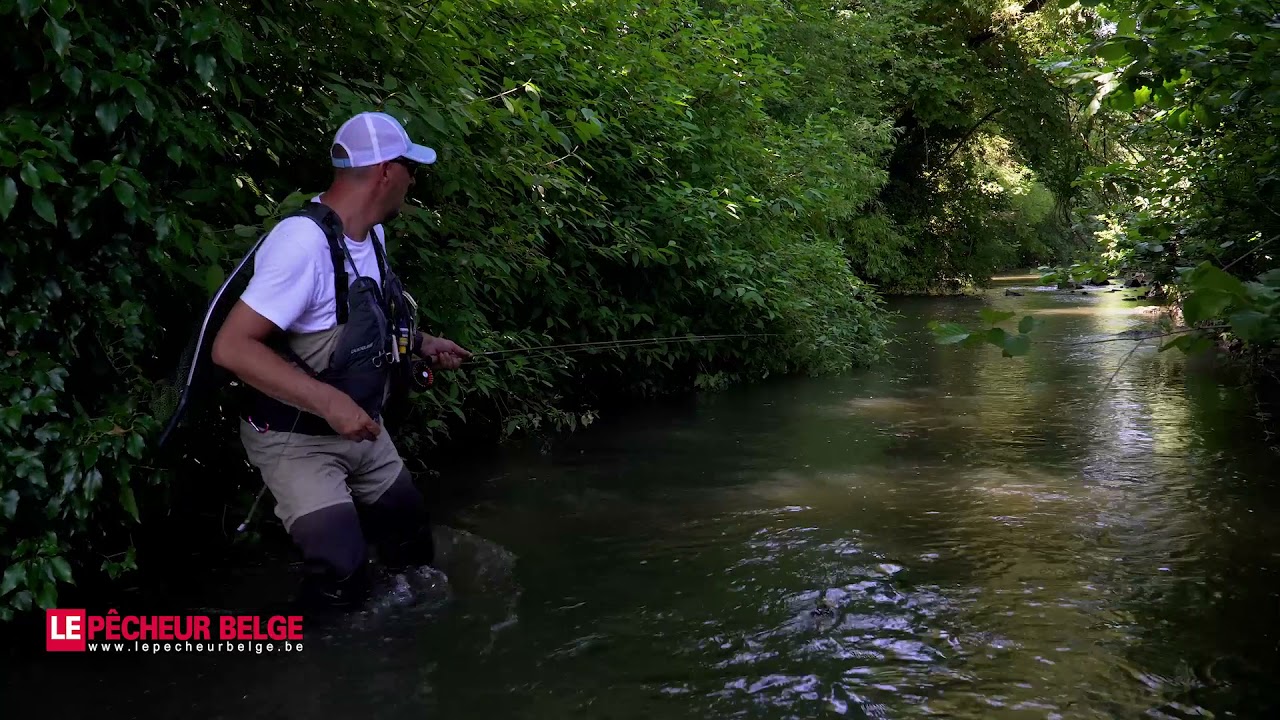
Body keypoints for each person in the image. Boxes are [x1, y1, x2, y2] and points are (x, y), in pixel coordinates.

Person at [210, 111, 470, 610]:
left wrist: (421, 342)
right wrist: (330, 402)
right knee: (342, 573)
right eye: (411, 170)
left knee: (412, 544)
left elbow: (364, 318)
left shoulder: (371, 236)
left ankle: (403, 645)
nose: (413, 182)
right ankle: (312, 669)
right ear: (387, 172)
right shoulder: (301, 243)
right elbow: (232, 348)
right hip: (293, 437)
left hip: (362, 428)